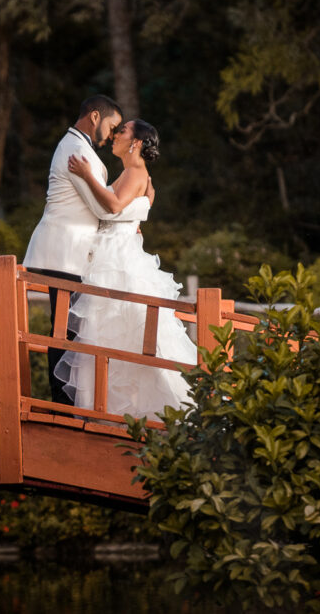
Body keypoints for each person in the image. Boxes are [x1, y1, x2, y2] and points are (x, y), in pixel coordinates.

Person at [56, 119, 196, 422]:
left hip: (117, 264)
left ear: (135, 143)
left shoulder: (135, 172)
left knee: (114, 332)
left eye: (122, 132)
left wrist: (86, 176)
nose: (115, 135)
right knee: (111, 336)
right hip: (112, 255)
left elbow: (116, 205)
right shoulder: (132, 173)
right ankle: (113, 412)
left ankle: (117, 414)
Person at [23, 95, 153, 406]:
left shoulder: (82, 151)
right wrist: (142, 208)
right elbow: (104, 209)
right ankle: (61, 405)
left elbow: (107, 205)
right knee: (63, 332)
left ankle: (70, 403)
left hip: (77, 254)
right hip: (64, 251)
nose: (112, 133)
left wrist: (137, 210)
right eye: (112, 126)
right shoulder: (76, 149)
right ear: (95, 117)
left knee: (71, 331)